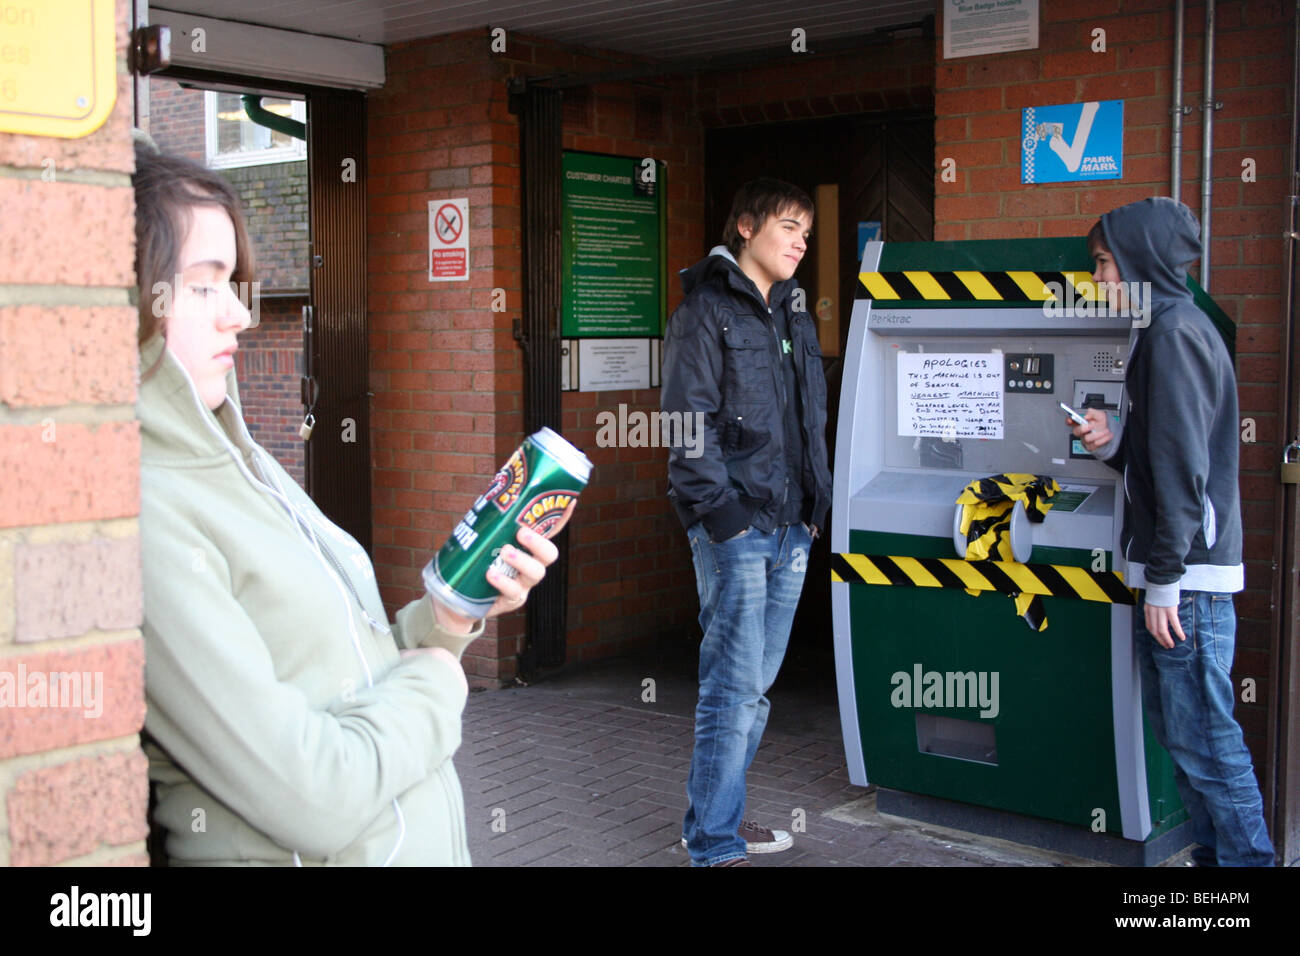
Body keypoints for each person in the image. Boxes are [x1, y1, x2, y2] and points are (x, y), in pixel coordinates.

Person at [134, 139, 557, 865]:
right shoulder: (143, 510)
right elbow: (315, 795)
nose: (239, 312)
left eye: (235, 281)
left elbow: (349, 679)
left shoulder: (242, 457)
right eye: (205, 285)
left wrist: (450, 616)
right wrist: (437, 678)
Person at [1070, 197, 1274, 866]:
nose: (1099, 278)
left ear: (1139, 260)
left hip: (1184, 583)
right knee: (1189, 748)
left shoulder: (1175, 335)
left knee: (1209, 749)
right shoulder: (1165, 330)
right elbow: (1163, 460)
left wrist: (1163, 583)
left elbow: (1184, 476)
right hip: (1177, 579)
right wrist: (1111, 444)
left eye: (1103, 263)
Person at [660, 178, 832, 866]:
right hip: (735, 528)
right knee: (732, 688)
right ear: (746, 228)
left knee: (752, 690)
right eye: (788, 226)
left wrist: (813, 508)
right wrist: (723, 516)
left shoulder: (793, 311)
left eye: (807, 233)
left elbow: (807, 421)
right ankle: (715, 845)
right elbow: (683, 423)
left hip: (792, 528)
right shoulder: (706, 312)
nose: (799, 242)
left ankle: (713, 819)